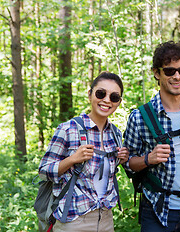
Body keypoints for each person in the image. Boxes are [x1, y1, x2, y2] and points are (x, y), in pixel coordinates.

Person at [123, 41, 180, 231]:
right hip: (156, 208)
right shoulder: (140, 117)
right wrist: (149, 159)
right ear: (157, 73)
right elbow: (127, 164)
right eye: (170, 71)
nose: (177, 76)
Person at [38, 72, 129, 232]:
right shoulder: (68, 129)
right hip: (73, 219)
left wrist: (121, 159)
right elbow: (44, 171)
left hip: (106, 219)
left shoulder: (115, 134)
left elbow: (103, 175)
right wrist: (72, 159)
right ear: (90, 94)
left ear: (119, 102)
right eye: (101, 93)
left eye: (114, 97)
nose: (107, 100)